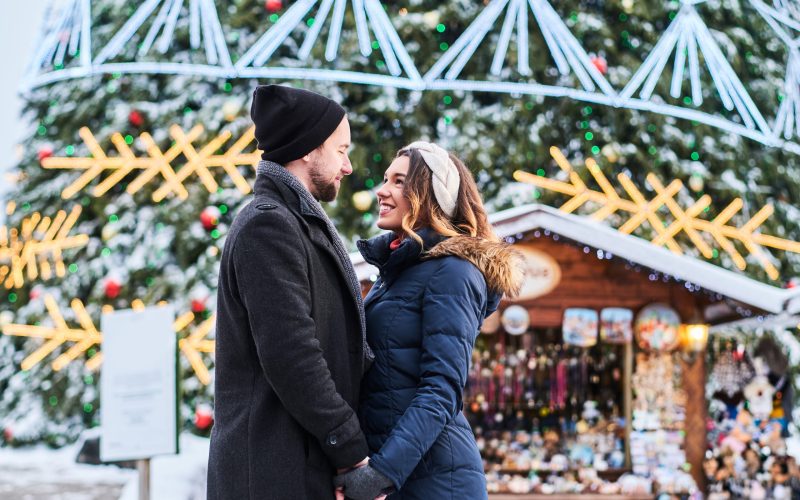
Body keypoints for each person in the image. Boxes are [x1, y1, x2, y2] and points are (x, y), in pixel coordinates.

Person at [208, 85, 373, 499]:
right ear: (307, 149)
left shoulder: (294, 222)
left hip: (295, 463)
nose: (348, 166)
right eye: (341, 150)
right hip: (272, 470)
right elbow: (292, 353)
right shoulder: (270, 227)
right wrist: (349, 449)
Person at [335, 142, 523, 499]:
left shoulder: (453, 272)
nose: (381, 190)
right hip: (403, 474)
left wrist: (382, 472)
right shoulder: (399, 271)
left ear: (430, 195)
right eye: (385, 178)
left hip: (436, 481)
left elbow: (442, 389)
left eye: (399, 181)